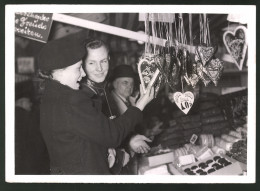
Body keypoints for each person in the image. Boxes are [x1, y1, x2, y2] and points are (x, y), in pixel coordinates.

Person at [38, 32, 155, 175]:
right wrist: (140, 105)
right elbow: (110, 135)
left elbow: (89, 136)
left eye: (104, 61)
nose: (98, 69)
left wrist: (125, 142)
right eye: (91, 63)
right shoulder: (75, 97)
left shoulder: (59, 94)